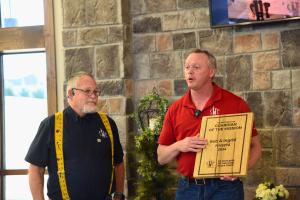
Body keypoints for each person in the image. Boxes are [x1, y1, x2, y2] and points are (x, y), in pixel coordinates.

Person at [157, 49, 262, 200]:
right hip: (188, 189)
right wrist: (180, 145)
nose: (190, 72)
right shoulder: (175, 109)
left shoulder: (236, 104)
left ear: (211, 72)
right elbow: (161, 157)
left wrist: (241, 169)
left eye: (196, 67)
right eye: (187, 67)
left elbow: (256, 146)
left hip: (226, 189)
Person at [25, 71, 125, 200]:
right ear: (71, 93)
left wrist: (119, 193)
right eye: (87, 91)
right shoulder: (51, 125)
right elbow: (35, 168)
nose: (93, 96)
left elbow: (118, 162)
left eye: (95, 92)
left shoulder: (108, 124)